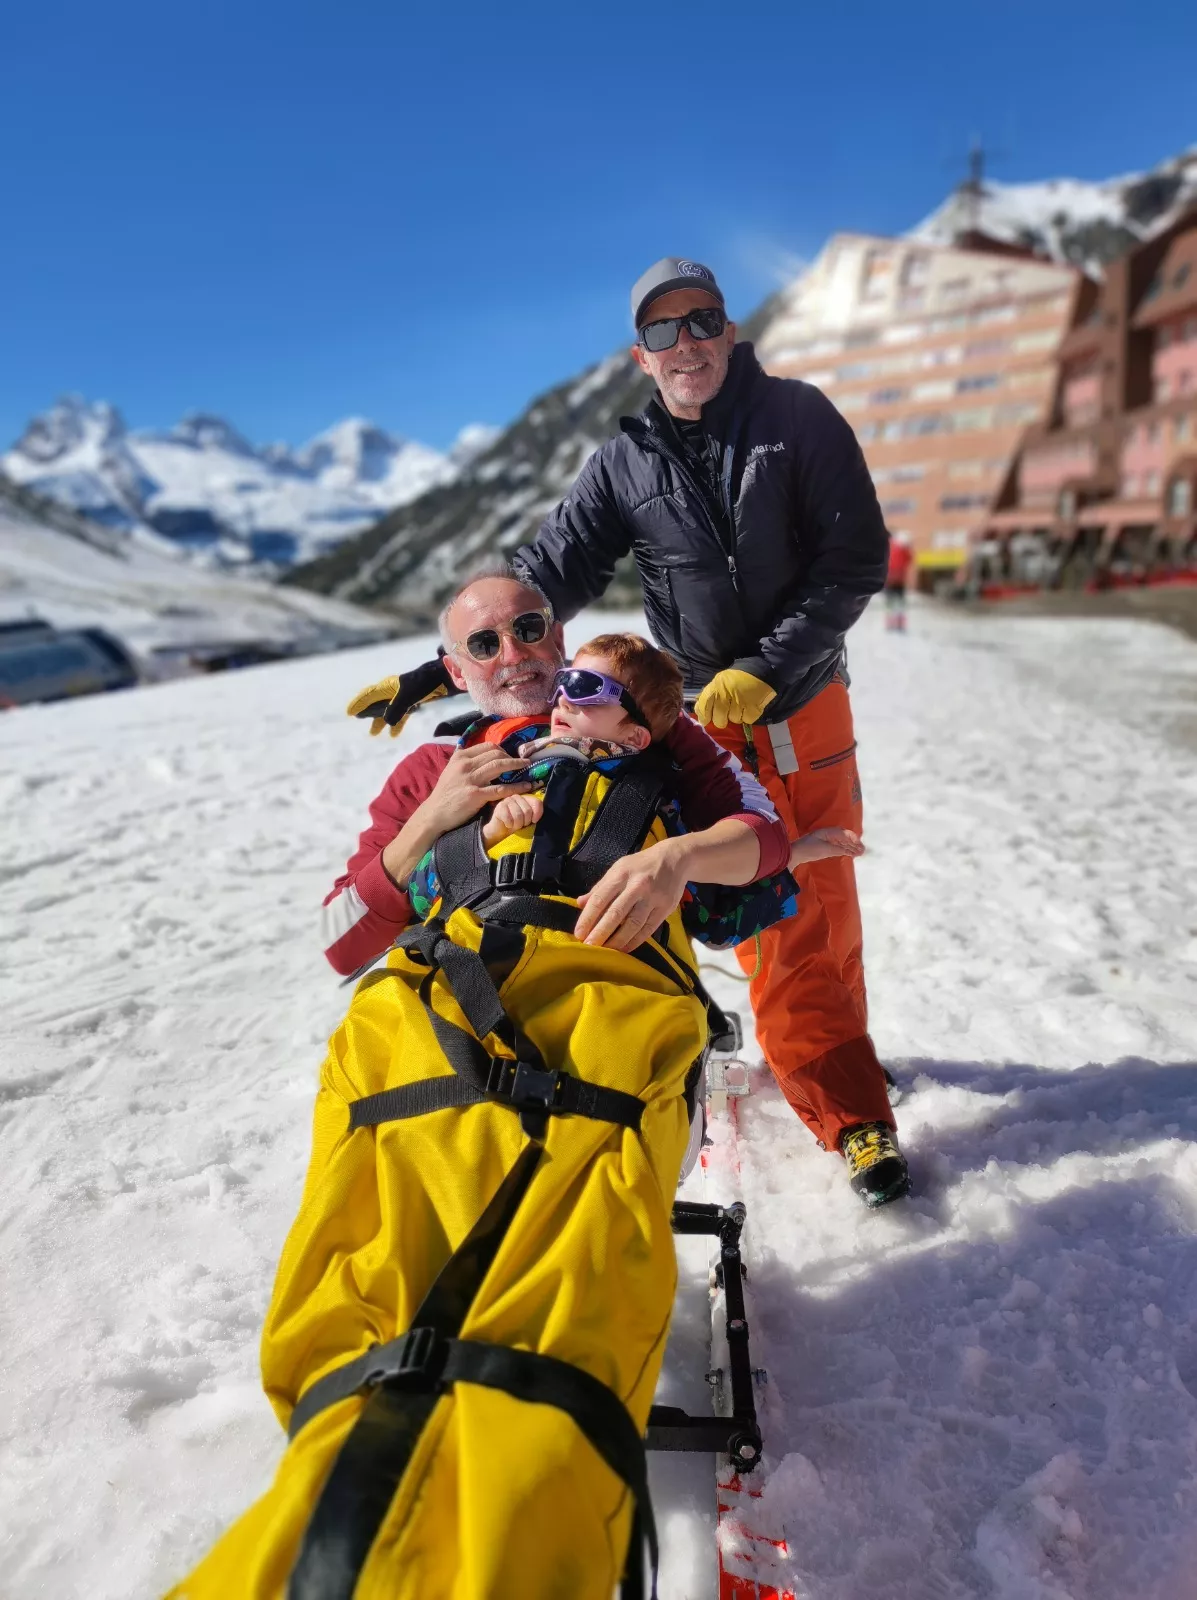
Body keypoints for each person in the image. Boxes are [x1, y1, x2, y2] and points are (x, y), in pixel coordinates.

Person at [168, 572, 798, 1599]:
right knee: (393, 1124)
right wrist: (432, 824)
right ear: (455, 671)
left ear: (559, 634)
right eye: (484, 643)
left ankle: (512, 1462)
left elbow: (767, 852)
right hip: (439, 999)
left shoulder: (655, 731)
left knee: (557, 1149)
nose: (515, 653)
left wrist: (677, 855)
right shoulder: (430, 766)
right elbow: (340, 943)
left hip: (604, 989)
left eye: (530, 627)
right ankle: (363, 1434)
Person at [514, 255, 909, 1208]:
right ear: (641, 356)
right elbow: (553, 567)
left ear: (728, 331)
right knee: (754, 899)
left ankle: (842, 1096)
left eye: (701, 322)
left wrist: (763, 668)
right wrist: (479, 640)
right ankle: (826, 1070)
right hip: (697, 720)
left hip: (799, 704)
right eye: (662, 332)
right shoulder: (624, 462)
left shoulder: (796, 418)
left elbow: (852, 560)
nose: (684, 344)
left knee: (815, 896)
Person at [885, 530, 914, 632]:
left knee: (890, 603)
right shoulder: (902, 548)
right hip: (898, 581)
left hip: (891, 580)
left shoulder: (889, 547)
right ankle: (899, 624)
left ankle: (891, 624)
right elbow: (910, 559)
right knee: (899, 603)